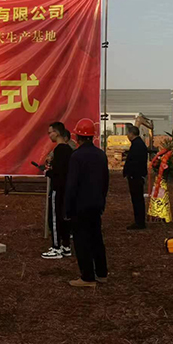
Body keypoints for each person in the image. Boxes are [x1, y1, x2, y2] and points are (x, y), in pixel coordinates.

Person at [65, 118, 109, 287]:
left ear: (77, 137)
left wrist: (67, 208)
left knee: (82, 241)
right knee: (96, 238)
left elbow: (72, 185)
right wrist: (102, 201)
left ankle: (87, 277)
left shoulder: (76, 156)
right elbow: (105, 182)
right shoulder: (101, 155)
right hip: (96, 204)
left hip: (80, 206)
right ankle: (102, 273)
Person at [41, 122, 74, 259]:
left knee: (55, 218)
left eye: (51, 132)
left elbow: (59, 173)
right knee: (64, 217)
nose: (49, 135)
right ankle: (66, 246)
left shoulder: (59, 150)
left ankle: (56, 247)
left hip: (58, 189)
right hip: (66, 189)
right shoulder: (69, 150)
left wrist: (48, 172)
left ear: (58, 133)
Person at [123, 124, 148, 230]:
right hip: (137, 176)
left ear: (131, 134)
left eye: (128, 133)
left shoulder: (137, 145)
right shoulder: (139, 144)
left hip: (135, 176)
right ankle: (139, 221)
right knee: (138, 199)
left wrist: (130, 173)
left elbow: (134, 162)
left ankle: (139, 222)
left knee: (137, 200)